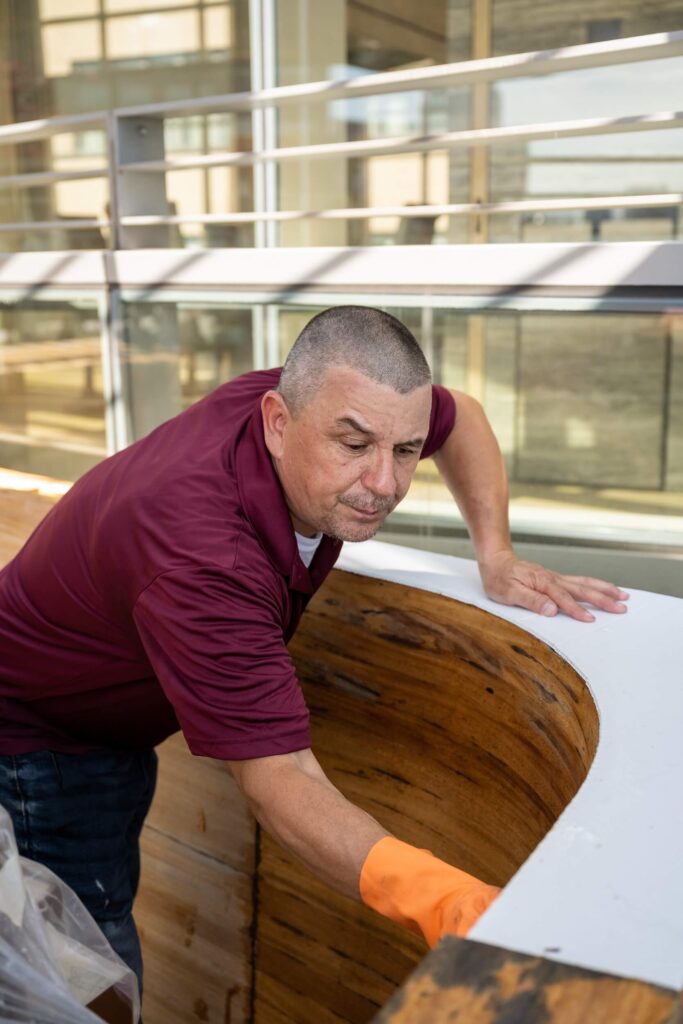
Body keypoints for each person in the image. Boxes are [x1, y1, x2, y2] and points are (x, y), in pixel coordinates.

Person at [0, 306, 628, 997]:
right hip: (33, 746)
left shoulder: (325, 398)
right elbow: (282, 778)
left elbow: (466, 416)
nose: (384, 484)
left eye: (405, 450)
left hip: (101, 727)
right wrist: (449, 903)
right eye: (353, 446)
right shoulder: (202, 559)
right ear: (277, 421)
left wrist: (496, 555)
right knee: (83, 979)